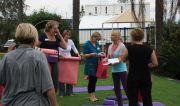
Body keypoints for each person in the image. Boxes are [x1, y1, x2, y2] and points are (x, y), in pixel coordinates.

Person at [0, 23, 59, 106]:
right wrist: (55, 104)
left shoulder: (7, 57)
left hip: (10, 102)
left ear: (18, 37)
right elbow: (48, 86)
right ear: (33, 39)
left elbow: (2, 80)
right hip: (33, 102)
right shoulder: (39, 55)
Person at [103, 30, 140, 106]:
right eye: (111, 35)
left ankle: (135, 104)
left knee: (126, 87)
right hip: (114, 70)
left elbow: (121, 59)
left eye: (112, 35)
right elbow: (108, 57)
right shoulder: (110, 46)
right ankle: (120, 104)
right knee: (116, 88)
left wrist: (112, 63)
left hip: (122, 69)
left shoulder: (122, 46)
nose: (110, 36)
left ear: (117, 37)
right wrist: (105, 59)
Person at [122, 28, 158, 106]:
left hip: (133, 77)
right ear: (142, 37)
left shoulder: (129, 48)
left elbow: (124, 60)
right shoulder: (149, 48)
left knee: (133, 99)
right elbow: (155, 63)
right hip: (145, 76)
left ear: (132, 37)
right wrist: (147, 66)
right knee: (147, 98)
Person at [35, 20, 67, 93]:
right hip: (44, 62)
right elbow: (33, 46)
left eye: (57, 28)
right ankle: (44, 95)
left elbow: (64, 47)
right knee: (45, 80)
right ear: (49, 28)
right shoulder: (42, 37)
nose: (56, 30)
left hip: (55, 62)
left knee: (55, 80)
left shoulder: (57, 37)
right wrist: (42, 52)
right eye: (54, 29)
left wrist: (60, 35)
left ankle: (53, 97)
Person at [58, 29, 81, 97]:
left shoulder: (70, 41)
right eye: (66, 35)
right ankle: (61, 93)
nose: (68, 36)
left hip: (69, 60)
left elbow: (74, 48)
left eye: (69, 35)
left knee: (70, 75)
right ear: (63, 35)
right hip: (61, 60)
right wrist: (60, 55)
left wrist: (78, 54)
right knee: (61, 76)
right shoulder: (60, 41)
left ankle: (69, 92)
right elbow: (56, 50)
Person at [83, 32, 101, 102]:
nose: (97, 41)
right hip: (90, 65)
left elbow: (98, 51)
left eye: (98, 40)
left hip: (96, 64)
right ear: (92, 37)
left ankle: (94, 96)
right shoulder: (87, 44)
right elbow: (84, 55)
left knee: (95, 81)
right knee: (91, 81)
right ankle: (91, 97)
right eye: (96, 39)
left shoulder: (96, 43)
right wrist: (91, 54)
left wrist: (100, 54)